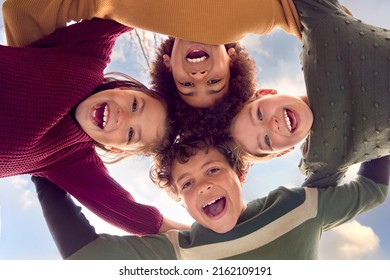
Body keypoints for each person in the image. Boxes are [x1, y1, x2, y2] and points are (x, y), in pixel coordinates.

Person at [32, 135, 389, 259]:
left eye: (213, 170)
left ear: (240, 174)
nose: (201, 186)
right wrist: (41, 163)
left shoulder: (298, 207)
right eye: (186, 184)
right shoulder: (181, 251)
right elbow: (85, 254)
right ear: (182, 202)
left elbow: (374, 187)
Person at [0, 16, 187, 235]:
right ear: (124, 88)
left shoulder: (70, 160)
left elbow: (138, 218)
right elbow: (136, 10)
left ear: (116, 148)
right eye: (135, 104)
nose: (122, 117)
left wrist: (221, 244)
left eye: (130, 133)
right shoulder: (87, 57)